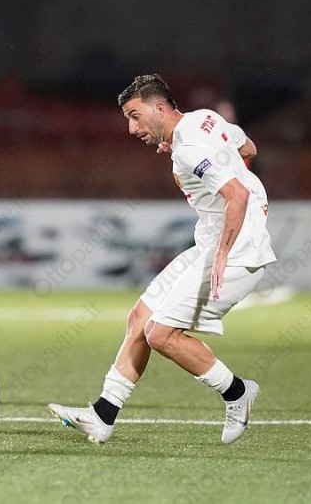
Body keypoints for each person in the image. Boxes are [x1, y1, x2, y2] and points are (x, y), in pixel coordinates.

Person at [48, 74, 276, 444]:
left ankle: (238, 393)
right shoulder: (204, 119)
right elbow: (248, 147)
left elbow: (238, 195)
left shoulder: (189, 148)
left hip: (236, 251)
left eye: (135, 116)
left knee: (161, 334)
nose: (131, 127)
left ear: (159, 108)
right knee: (140, 317)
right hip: (212, 243)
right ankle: (103, 415)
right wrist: (203, 159)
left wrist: (223, 254)